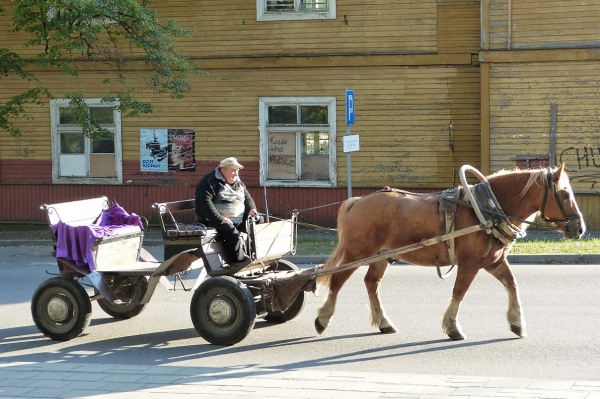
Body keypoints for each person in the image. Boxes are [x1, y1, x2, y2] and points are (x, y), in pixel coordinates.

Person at [195, 157, 259, 268]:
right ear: (223, 171)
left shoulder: (237, 182)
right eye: (233, 171)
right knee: (231, 232)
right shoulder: (209, 182)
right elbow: (203, 204)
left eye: (237, 170)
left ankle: (254, 254)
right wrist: (220, 219)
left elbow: (247, 198)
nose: (236, 174)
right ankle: (238, 262)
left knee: (258, 221)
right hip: (212, 221)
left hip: (236, 220)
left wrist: (251, 210)